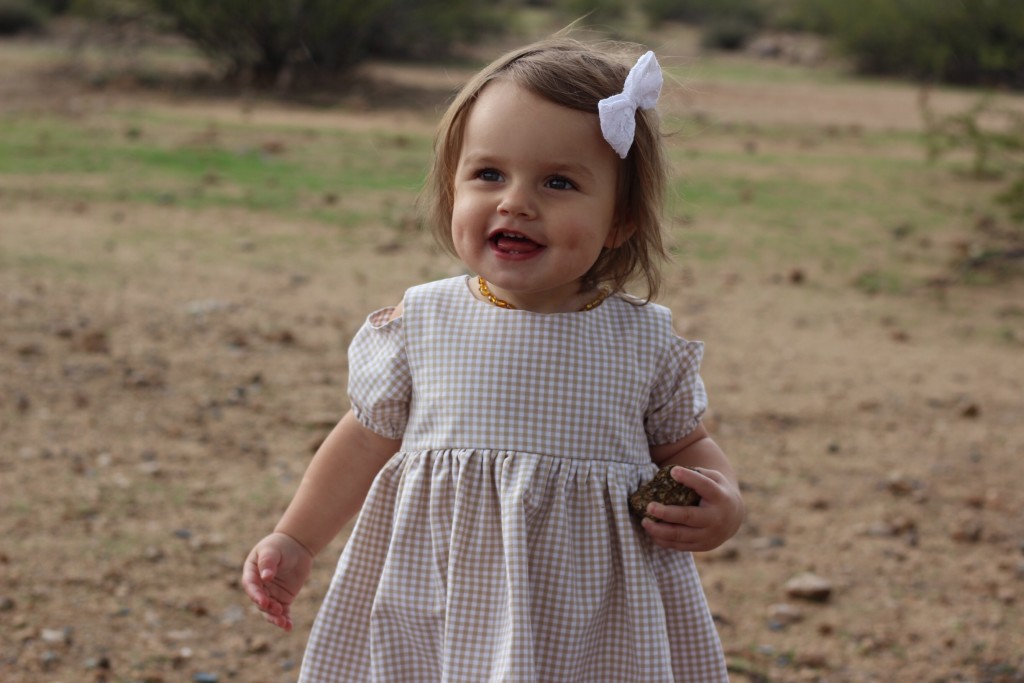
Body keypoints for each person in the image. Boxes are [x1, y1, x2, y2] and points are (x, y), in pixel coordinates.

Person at [242, 34, 744, 682]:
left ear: (619, 220)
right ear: (453, 190)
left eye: (558, 182)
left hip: (592, 616)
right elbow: (363, 441)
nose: (515, 201)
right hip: (443, 599)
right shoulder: (422, 323)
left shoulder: (643, 343)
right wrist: (296, 538)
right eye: (488, 175)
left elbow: (689, 446)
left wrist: (723, 499)